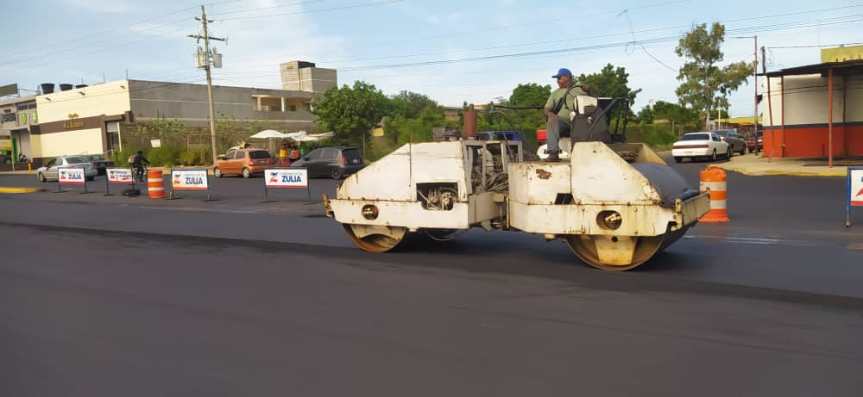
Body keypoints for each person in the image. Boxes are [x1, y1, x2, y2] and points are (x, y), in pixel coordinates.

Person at [543, 68, 588, 161]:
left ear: (568, 78)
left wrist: (588, 89)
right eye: (557, 79)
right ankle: (553, 153)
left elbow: (593, 99)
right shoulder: (555, 93)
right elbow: (546, 108)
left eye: (559, 78)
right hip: (564, 122)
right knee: (552, 120)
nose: (557, 81)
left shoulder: (579, 88)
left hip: (581, 120)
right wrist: (550, 114)